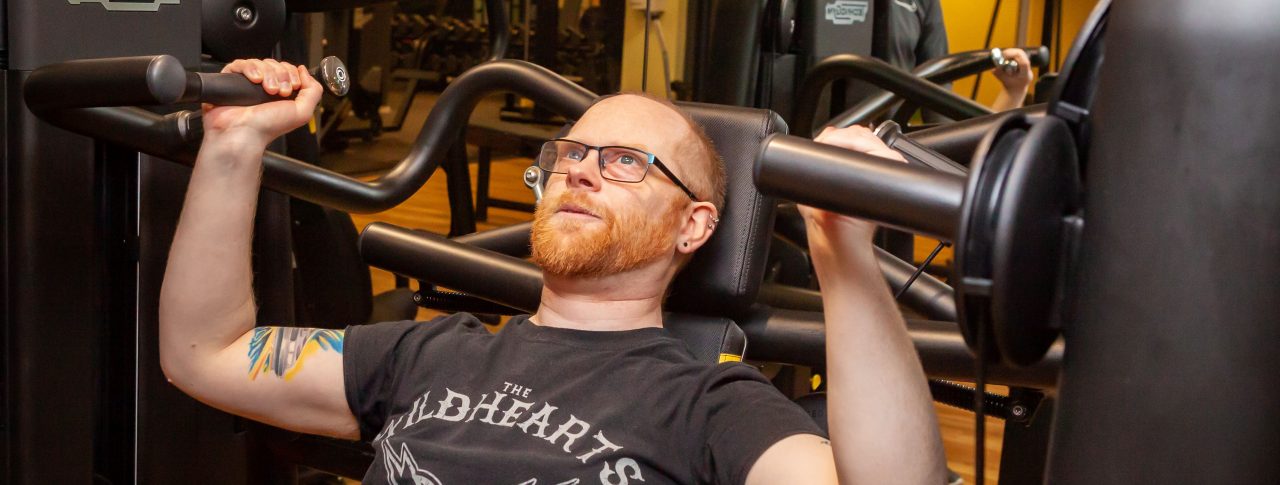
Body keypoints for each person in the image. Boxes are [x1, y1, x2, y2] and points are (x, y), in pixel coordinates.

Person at [158, 59, 946, 484]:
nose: (581, 172)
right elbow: (205, 353)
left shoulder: (709, 404)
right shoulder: (429, 352)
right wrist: (234, 145)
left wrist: (842, 252)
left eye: (626, 162)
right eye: (569, 153)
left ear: (693, 225)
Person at [881, 0, 1035, 111]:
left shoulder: (923, 4)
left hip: (886, 144)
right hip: (861, 135)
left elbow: (942, 120)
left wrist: (1013, 92)